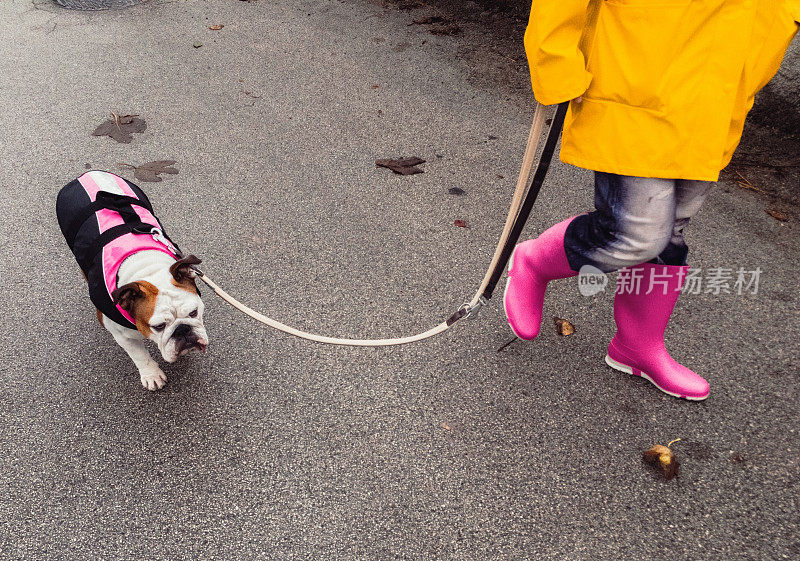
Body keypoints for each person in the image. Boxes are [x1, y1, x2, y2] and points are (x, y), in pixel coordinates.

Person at [504, 0, 799, 400]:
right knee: (634, 232)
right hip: (635, 81)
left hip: (716, 99)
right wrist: (556, 63)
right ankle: (535, 262)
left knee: (671, 231)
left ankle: (637, 346)